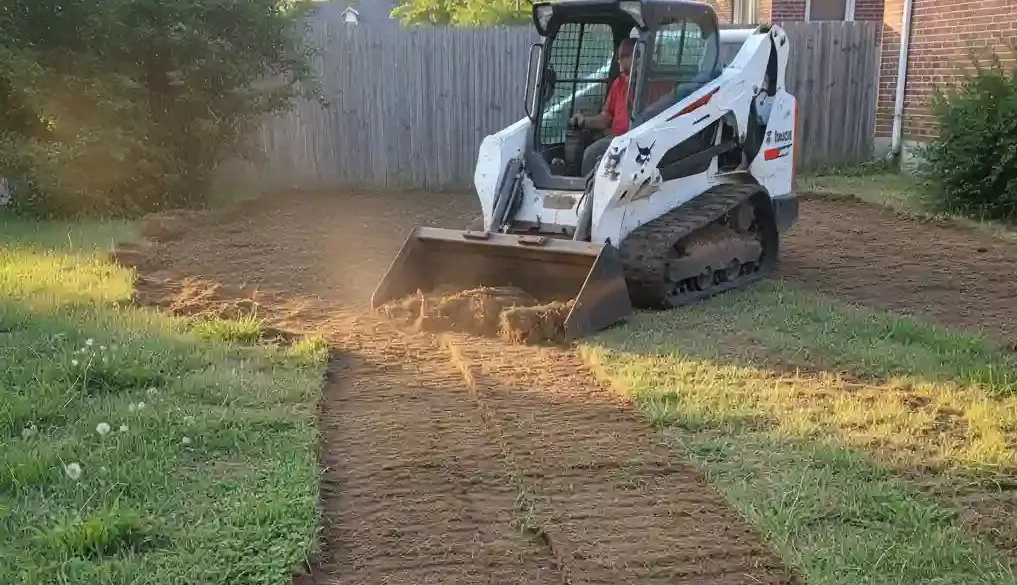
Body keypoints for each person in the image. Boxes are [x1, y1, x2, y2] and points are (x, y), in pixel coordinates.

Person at [569, 38, 636, 176]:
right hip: (616, 138)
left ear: (634, 56)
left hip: (633, 140)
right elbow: (605, 118)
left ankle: (585, 191)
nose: (619, 61)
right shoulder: (618, 84)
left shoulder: (652, 84)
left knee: (591, 154)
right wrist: (584, 121)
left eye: (623, 56)